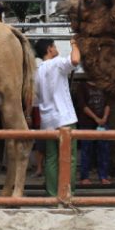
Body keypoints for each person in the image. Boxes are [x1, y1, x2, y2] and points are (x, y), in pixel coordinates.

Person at [33, 38, 80, 197]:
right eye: (54, 46)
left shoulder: (37, 71)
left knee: (51, 158)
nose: (56, 48)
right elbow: (75, 60)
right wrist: (75, 44)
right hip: (64, 117)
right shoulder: (58, 63)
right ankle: (67, 192)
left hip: (47, 120)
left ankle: (52, 193)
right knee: (70, 158)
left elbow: (36, 97)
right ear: (49, 49)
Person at [75, 80, 111, 185]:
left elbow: (108, 104)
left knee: (104, 150)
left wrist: (104, 117)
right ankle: (84, 177)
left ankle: (103, 176)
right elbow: (83, 106)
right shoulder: (82, 86)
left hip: (103, 123)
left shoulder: (103, 85)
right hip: (87, 123)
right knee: (86, 150)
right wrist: (95, 118)